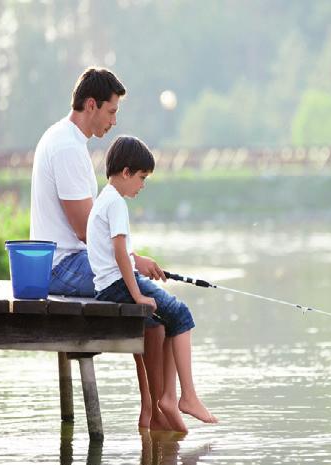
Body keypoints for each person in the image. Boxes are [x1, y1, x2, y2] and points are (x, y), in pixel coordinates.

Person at [29, 67, 177, 430]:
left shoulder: (66, 140)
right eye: (111, 112)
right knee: (152, 306)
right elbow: (85, 231)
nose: (114, 122)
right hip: (62, 267)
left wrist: (133, 260)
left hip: (69, 260)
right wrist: (132, 262)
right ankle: (155, 411)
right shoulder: (67, 147)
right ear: (91, 105)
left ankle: (153, 409)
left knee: (150, 303)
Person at [87, 135, 217, 431]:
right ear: (126, 172)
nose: (142, 185)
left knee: (168, 320)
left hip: (108, 286)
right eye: (142, 177)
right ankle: (187, 396)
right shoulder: (116, 204)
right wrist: (137, 293)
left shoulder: (104, 199)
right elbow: (120, 253)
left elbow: (116, 254)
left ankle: (168, 399)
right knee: (182, 314)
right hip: (118, 285)